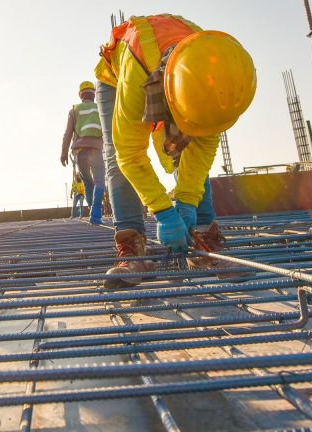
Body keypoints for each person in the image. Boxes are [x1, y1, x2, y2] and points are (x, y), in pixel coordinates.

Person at [94, 14, 256, 287]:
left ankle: (203, 238)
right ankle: (133, 249)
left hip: (177, 72)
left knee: (190, 144)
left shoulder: (218, 73)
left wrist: (187, 202)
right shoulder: (137, 78)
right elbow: (130, 154)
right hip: (120, 77)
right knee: (115, 155)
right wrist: (164, 212)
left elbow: (203, 148)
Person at [61, 81, 106, 225]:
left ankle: (92, 209)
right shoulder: (101, 108)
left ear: (80, 95)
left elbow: (68, 134)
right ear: (94, 94)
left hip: (80, 152)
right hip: (97, 150)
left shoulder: (74, 110)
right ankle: (96, 214)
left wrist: (63, 153)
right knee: (100, 182)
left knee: (87, 183)